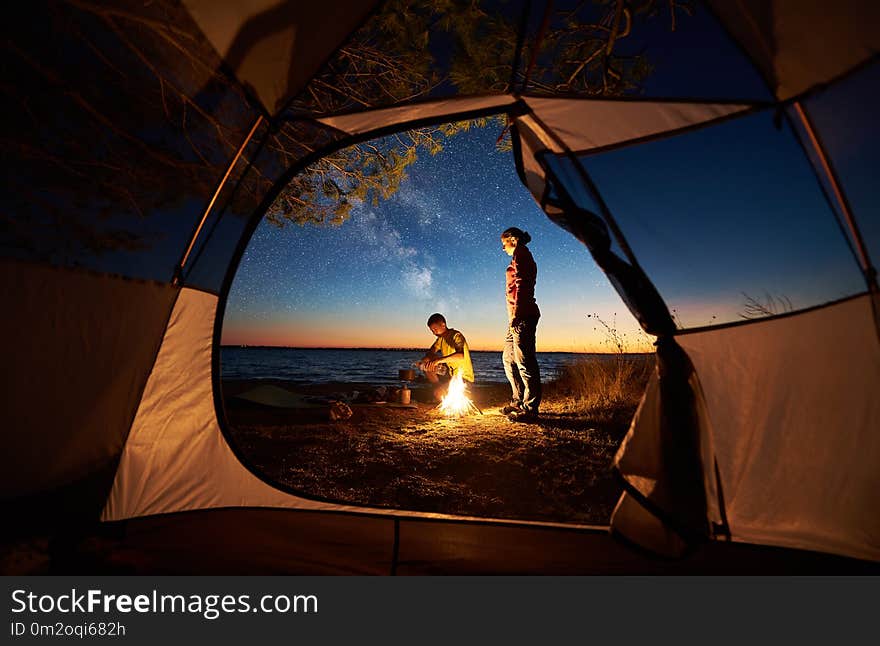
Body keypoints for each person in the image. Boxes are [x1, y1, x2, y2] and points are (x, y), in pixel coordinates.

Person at [500, 227, 541, 422]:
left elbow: (523, 285)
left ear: (513, 240)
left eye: (504, 243)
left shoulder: (522, 254)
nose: (503, 248)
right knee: (508, 359)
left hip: (523, 315)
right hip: (514, 318)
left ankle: (530, 408)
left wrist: (516, 314)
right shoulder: (518, 256)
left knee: (525, 362)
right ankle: (517, 400)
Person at [416, 313, 474, 402]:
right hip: (450, 374)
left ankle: (444, 394)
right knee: (425, 362)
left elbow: (461, 356)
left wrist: (438, 360)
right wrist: (432, 361)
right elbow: (430, 352)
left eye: (435, 329)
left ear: (443, 325)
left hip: (463, 378)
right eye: (432, 330)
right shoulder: (441, 339)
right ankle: (439, 388)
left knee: (438, 393)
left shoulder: (456, 336)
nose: (434, 332)